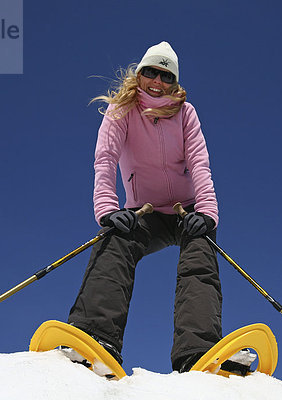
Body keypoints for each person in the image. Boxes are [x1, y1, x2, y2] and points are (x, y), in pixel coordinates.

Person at [68, 41, 221, 373]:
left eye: (166, 76)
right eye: (150, 72)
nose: (157, 81)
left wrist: (207, 213)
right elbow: (105, 159)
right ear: (139, 75)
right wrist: (108, 209)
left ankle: (197, 352)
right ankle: (95, 337)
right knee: (115, 240)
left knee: (200, 251)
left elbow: (199, 164)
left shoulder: (186, 113)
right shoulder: (122, 110)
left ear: (175, 83)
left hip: (185, 210)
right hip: (145, 211)